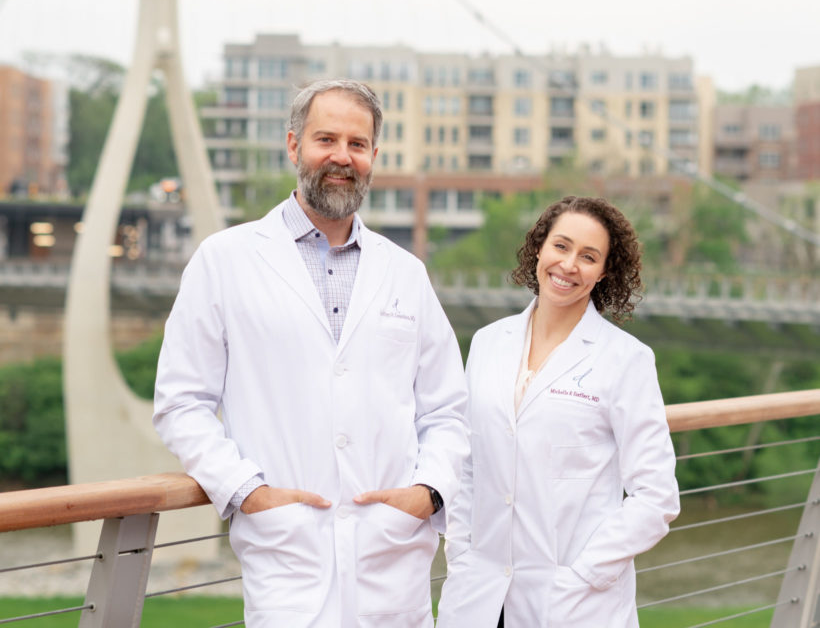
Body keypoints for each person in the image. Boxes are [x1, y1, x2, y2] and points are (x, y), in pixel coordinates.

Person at [153, 80, 468, 628]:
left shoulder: (405, 273)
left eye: (358, 143)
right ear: (294, 145)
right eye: (327, 139)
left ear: (373, 157)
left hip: (392, 560)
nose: (342, 157)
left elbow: (447, 410)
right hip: (288, 557)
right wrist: (247, 492)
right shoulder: (223, 260)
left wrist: (428, 492)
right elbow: (182, 402)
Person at [437, 196, 679, 628]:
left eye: (589, 257)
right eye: (561, 246)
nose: (569, 265)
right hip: (480, 595)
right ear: (539, 248)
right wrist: (460, 555)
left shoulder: (626, 360)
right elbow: (469, 466)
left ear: (604, 271)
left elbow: (657, 498)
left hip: (570, 602)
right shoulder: (489, 342)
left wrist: (585, 574)